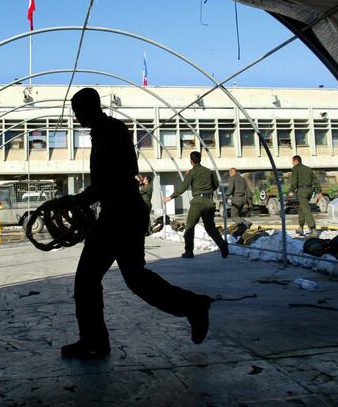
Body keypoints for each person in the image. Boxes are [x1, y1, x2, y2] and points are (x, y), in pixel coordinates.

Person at [61, 88, 212, 359]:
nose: (76, 117)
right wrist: (84, 198)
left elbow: (115, 178)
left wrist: (81, 199)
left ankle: (95, 340)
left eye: (77, 111)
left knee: (93, 280)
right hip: (118, 213)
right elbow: (107, 181)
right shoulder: (104, 131)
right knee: (128, 279)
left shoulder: (111, 131)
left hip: (121, 215)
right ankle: (191, 306)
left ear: (88, 108)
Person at [163, 152, 229, 259]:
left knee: (190, 226)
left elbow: (183, 187)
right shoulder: (209, 171)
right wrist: (208, 191)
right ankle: (221, 243)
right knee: (210, 227)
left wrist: (170, 197)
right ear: (200, 159)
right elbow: (216, 184)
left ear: (191, 161)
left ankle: (189, 251)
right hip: (209, 201)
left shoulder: (192, 172)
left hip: (198, 202)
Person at [290, 155, 322, 237]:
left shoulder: (295, 168)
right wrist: (319, 191)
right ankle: (300, 227)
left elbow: (294, 180)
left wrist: (291, 190)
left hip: (302, 191)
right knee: (301, 208)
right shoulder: (308, 169)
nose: (292, 163)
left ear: (296, 161)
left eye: (292, 161)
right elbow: (316, 180)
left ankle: (313, 229)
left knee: (306, 210)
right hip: (310, 191)